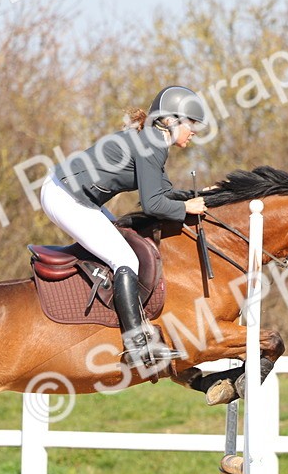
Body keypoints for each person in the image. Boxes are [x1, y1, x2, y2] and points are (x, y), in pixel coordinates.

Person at [39, 85, 210, 369]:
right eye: (190, 123)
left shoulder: (153, 140)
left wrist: (200, 196)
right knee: (125, 258)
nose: (194, 131)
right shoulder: (152, 143)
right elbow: (154, 205)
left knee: (124, 244)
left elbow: (162, 192)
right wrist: (184, 209)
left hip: (73, 193)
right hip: (64, 195)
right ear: (170, 120)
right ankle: (136, 344)